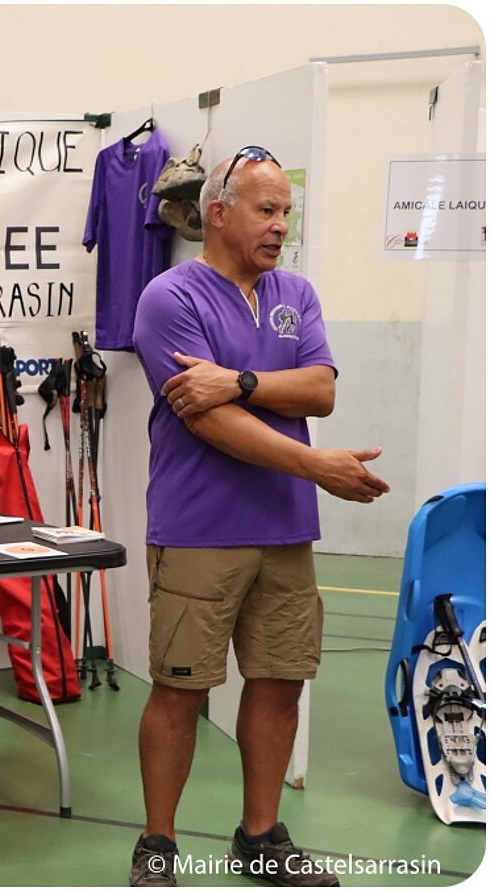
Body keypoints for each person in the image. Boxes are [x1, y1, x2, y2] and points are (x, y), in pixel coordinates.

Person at [128, 146, 390, 887]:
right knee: (181, 688)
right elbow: (204, 419)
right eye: (266, 210)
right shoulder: (169, 298)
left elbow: (319, 391)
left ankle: (262, 835)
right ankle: (157, 845)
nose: (280, 226)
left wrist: (238, 379)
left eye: (286, 213)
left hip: (283, 530)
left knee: (278, 684)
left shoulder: (295, 294)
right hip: (197, 528)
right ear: (218, 212)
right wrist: (319, 466)